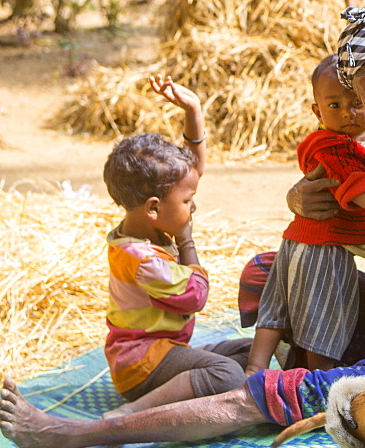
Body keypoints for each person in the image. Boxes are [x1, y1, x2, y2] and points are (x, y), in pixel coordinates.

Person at [0, 2, 365, 448]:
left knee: (267, 392)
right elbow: (355, 228)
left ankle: (78, 436)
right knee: (265, 272)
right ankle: (255, 369)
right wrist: (299, 198)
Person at [245, 54, 365, 376]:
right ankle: (316, 379)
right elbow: (358, 185)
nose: (348, 114)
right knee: (322, 313)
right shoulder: (332, 146)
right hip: (323, 245)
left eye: (357, 103)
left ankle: (255, 368)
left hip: (303, 239)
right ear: (317, 111)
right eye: (334, 106)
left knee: (278, 304)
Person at [99, 75, 251, 420]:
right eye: (188, 200)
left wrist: (193, 110)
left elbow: (191, 171)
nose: (193, 207)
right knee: (226, 374)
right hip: (141, 368)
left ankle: (193, 390)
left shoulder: (146, 228)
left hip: (166, 352)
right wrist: (187, 240)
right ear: (154, 208)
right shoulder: (141, 259)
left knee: (251, 350)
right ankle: (132, 412)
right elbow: (196, 296)